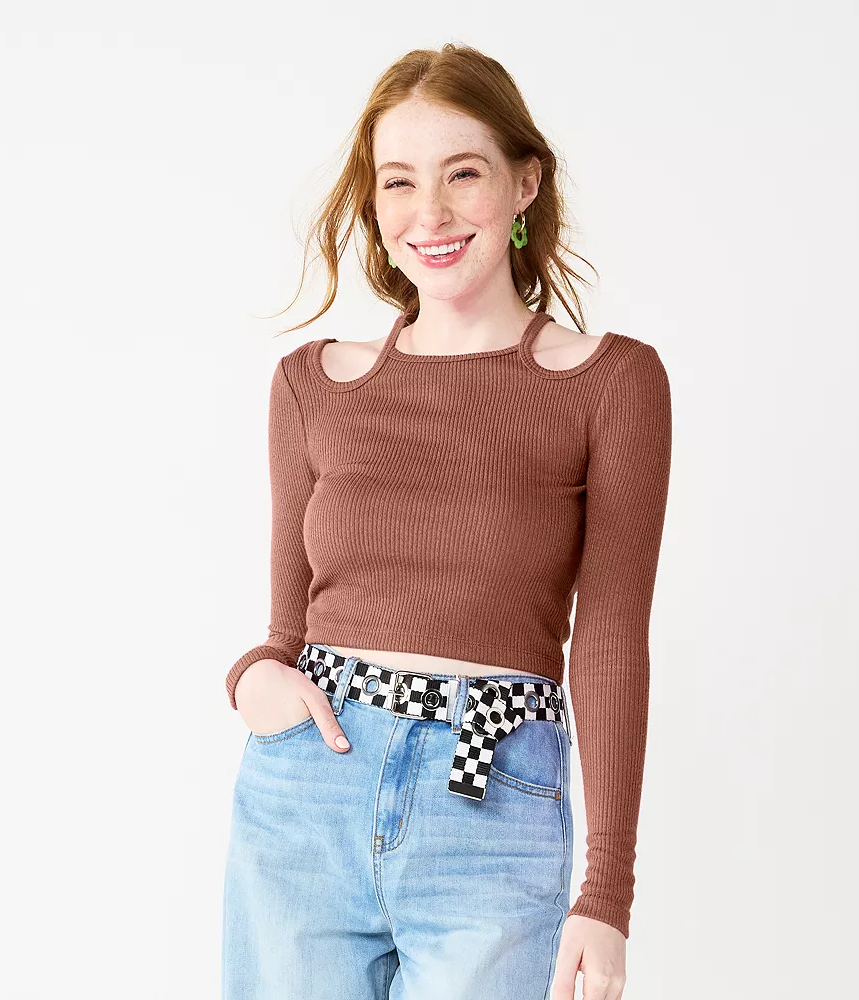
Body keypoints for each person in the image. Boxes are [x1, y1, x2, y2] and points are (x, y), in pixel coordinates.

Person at [221, 42, 672, 1000]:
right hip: (305, 793)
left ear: (524, 183)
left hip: (493, 797)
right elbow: (287, 627)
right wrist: (253, 676)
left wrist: (608, 892)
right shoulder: (311, 384)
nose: (428, 213)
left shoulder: (612, 382)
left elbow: (610, 636)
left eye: (462, 174)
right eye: (399, 182)